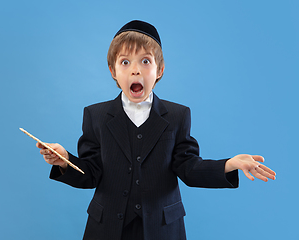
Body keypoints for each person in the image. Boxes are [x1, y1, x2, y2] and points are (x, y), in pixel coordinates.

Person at [36, 20, 276, 240]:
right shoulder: (96, 115)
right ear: (113, 72)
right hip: (106, 227)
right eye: (125, 62)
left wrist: (229, 164)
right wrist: (65, 161)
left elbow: (189, 168)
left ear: (159, 70)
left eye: (145, 61)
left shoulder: (177, 115)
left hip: (162, 229)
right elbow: (90, 173)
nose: (135, 70)